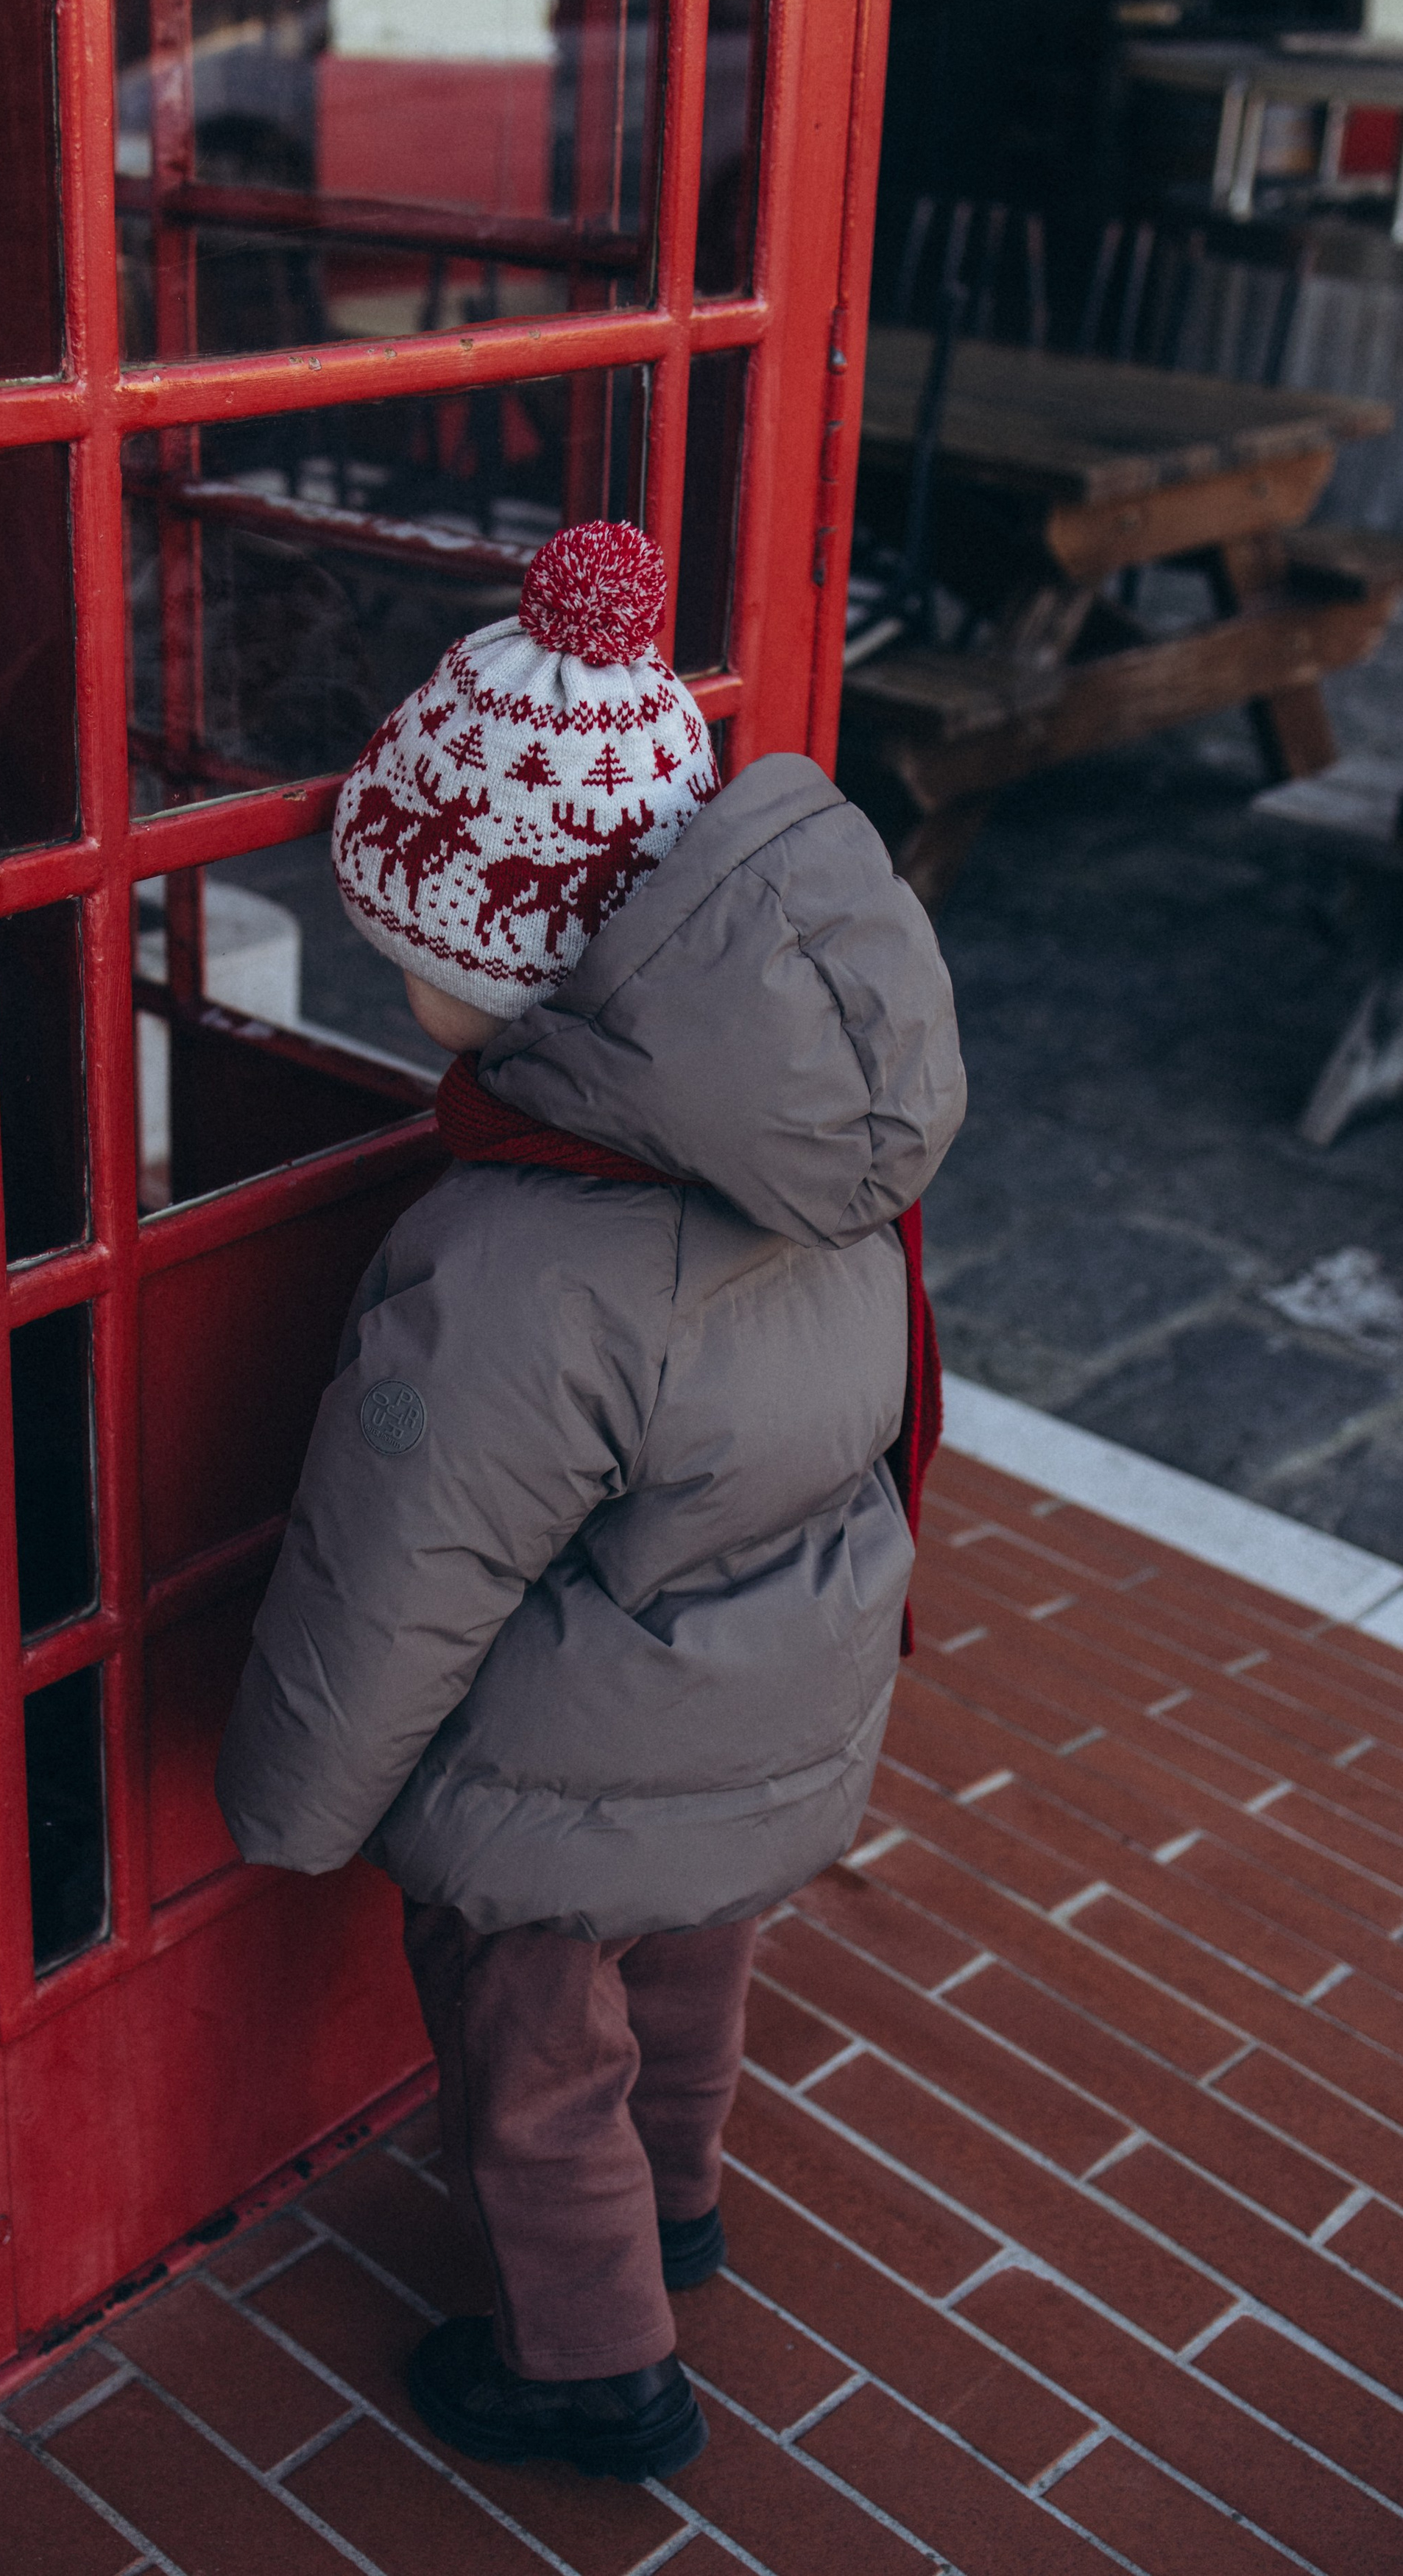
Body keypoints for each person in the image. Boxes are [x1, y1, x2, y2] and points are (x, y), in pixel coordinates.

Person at [216, 520, 965, 2484]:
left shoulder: (517, 1257)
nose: (399, 987)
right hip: (763, 1720)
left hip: (557, 1778)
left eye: (415, 959)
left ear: (519, 976)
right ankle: (689, 2212)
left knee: (536, 2074)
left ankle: (593, 2370)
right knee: (692, 1983)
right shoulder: (809, 1137)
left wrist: (292, 1806)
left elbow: (402, 1570)